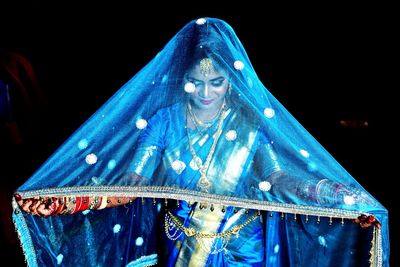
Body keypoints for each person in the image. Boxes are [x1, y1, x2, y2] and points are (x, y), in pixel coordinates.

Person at [13, 17, 389, 267]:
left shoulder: (248, 123)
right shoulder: (163, 121)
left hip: (244, 246)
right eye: (195, 82)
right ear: (182, 78)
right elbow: (133, 183)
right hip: (179, 243)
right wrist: (71, 199)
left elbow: (276, 181)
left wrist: (328, 193)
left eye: (217, 82)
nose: (205, 93)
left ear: (232, 81)